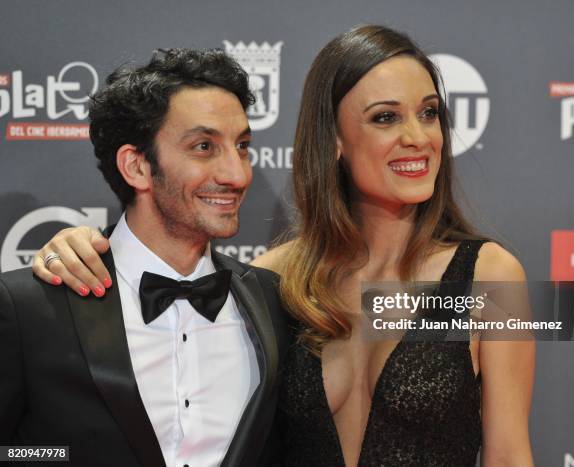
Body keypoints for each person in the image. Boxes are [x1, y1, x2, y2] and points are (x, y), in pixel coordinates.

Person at [32, 26, 535, 466]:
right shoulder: (275, 283)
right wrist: (72, 247)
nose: (418, 136)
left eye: (429, 114)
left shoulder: (488, 278)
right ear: (333, 139)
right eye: (385, 118)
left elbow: (508, 455)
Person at [0, 48, 291, 467]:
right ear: (136, 167)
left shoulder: (273, 302)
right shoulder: (29, 307)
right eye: (205, 146)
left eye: (242, 146)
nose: (238, 174)